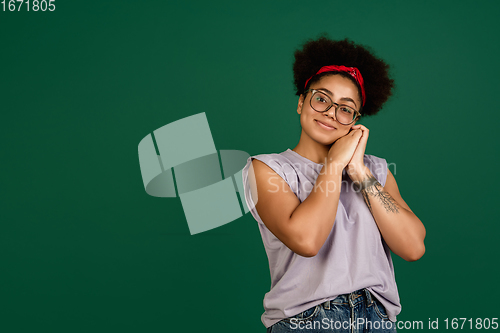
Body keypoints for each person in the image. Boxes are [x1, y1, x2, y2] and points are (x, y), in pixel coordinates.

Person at [241, 35, 426, 333]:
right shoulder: (267, 168)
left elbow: (413, 246)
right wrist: (335, 164)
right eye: (321, 99)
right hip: (306, 321)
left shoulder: (376, 170)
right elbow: (307, 240)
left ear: (354, 120)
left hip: (377, 321)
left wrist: (359, 171)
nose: (330, 112)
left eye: (345, 107)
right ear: (302, 102)